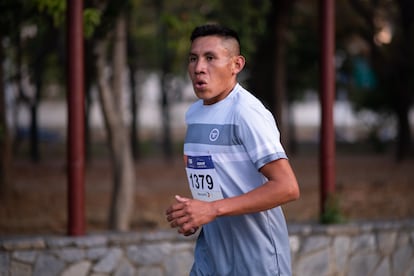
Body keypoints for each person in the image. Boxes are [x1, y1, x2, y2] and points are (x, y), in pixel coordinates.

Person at [165, 24, 300, 276]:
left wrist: (212, 209)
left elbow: (287, 187)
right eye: (193, 58)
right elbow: (214, 189)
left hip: (257, 260)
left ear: (236, 65)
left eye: (210, 58)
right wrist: (194, 214)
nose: (198, 68)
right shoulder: (194, 114)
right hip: (211, 257)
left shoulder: (247, 113)